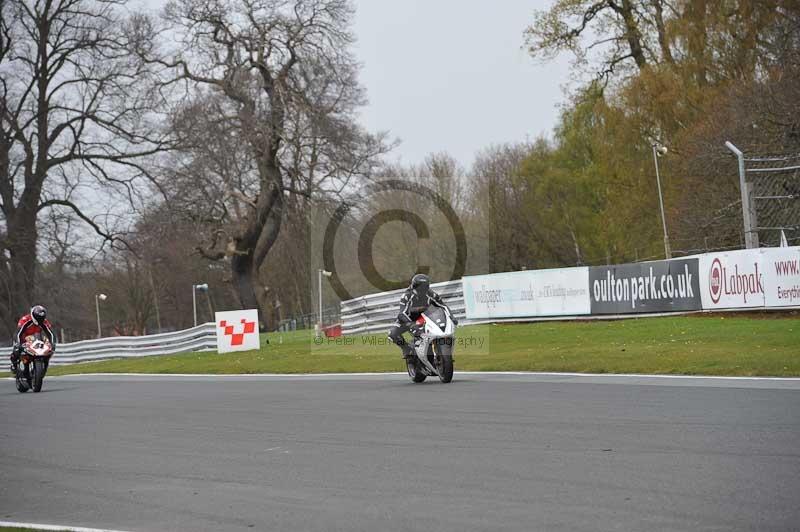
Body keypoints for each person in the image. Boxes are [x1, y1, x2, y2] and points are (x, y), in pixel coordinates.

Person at [388, 274, 457, 359]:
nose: (422, 290)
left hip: (426, 318)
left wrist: (452, 317)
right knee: (392, 334)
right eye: (420, 288)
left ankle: (437, 350)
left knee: (440, 332)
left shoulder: (431, 294)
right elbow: (401, 314)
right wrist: (411, 324)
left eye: (424, 288)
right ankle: (406, 349)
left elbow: (443, 306)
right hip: (408, 319)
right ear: (414, 286)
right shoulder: (407, 296)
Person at [9, 305, 56, 375]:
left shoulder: (44, 321)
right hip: (23, 339)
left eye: (41, 318)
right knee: (16, 349)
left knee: (48, 352)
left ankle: (44, 366)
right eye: (38, 318)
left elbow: (51, 333)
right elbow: (18, 333)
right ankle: (14, 364)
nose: (40, 320)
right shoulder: (25, 320)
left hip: (36, 340)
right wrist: (18, 343)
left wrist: (53, 343)